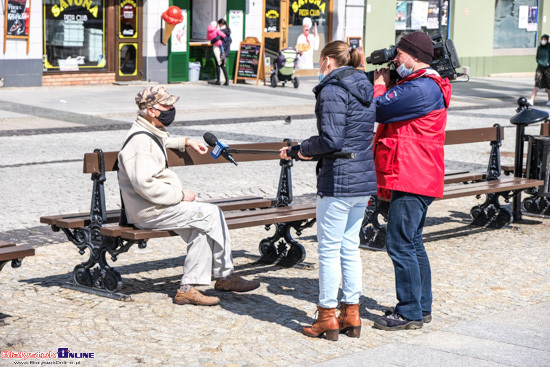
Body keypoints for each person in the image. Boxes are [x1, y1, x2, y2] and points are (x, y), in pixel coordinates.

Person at [118, 86, 260, 306]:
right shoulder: (140, 142)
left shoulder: (148, 132)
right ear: (152, 110)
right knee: (211, 212)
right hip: (149, 211)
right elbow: (144, 185)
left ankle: (187, 288)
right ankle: (225, 276)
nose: (172, 109)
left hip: (156, 207)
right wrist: (180, 195)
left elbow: (160, 141)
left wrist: (185, 142)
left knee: (201, 228)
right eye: (167, 106)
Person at [279, 41, 377, 340]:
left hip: (339, 180)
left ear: (327, 61)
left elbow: (331, 139)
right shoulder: (364, 85)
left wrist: (300, 150)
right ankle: (352, 313)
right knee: (349, 247)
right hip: (362, 177)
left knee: (330, 250)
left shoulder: (333, 88)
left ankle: (326, 315)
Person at [371, 32, 452, 331]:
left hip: (411, 174)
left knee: (400, 243)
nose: (395, 59)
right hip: (416, 173)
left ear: (415, 57)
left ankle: (408, 312)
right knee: (413, 242)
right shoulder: (422, 85)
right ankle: (421, 306)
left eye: (399, 55)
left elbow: (378, 109)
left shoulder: (421, 88)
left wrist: (380, 84)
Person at [528, 34, 550, 106]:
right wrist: (540, 62)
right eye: (542, 39)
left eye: (545, 39)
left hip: (548, 68)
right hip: (540, 67)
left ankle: (549, 100)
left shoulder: (549, 48)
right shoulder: (539, 48)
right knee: (537, 83)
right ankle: (531, 99)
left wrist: (548, 63)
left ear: (547, 40)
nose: (543, 41)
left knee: (549, 85)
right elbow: (537, 57)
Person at [207, 21, 228, 85]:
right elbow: (224, 36)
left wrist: (212, 41)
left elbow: (208, 38)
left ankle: (219, 80)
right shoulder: (219, 30)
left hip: (215, 47)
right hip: (222, 48)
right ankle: (226, 80)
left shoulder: (209, 31)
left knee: (218, 64)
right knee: (222, 65)